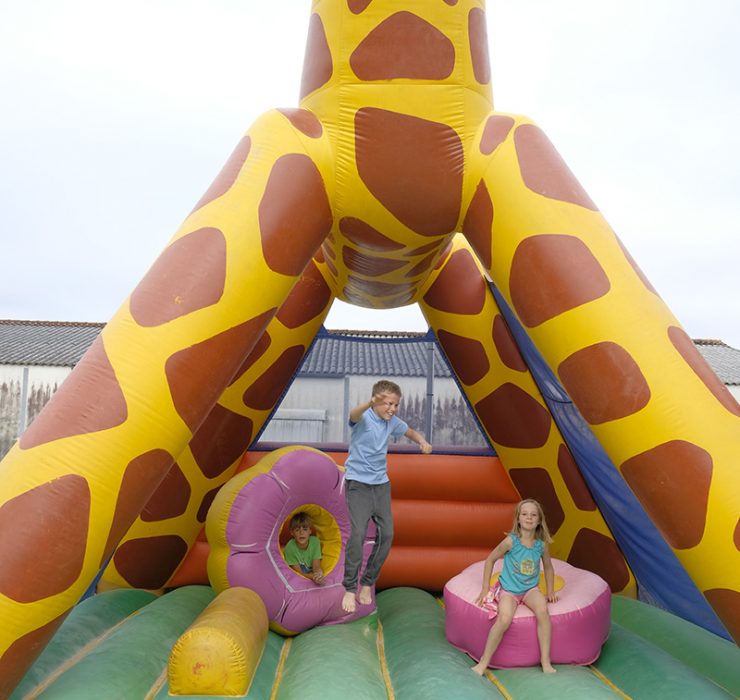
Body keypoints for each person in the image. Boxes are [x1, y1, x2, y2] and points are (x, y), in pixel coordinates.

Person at [341, 380, 432, 613]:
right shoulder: (364, 419)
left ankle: (367, 582)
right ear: (376, 402)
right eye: (389, 404)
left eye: (396, 404)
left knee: (388, 534)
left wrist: (421, 441)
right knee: (359, 533)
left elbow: (408, 431)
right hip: (358, 484)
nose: (393, 408)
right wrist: (369, 403)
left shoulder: (391, 423)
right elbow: (353, 414)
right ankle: (350, 588)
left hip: (381, 485)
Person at [472, 498, 558, 675]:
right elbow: (490, 560)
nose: (529, 518)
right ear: (518, 519)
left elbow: (548, 568)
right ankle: (483, 662)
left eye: (533, 515)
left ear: (539, 520)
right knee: (504, 619)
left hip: (530, 590)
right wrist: (484, 588)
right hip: (509, 591)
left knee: (543, 611)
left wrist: (550, 591)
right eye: (524, 514)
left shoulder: (540, 546)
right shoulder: (511, 542)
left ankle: (545, 661)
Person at [283, 511, 325, 585]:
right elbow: (299, 573)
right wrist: (312, 576)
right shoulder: (290, 548)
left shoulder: (315, 542)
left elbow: (316, 566)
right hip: (301, 576)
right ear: (292, 532)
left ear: (310, 531)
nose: (301, 533)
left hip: (311, 573)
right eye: (297, 530)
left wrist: (319, 574)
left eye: (305, 529)